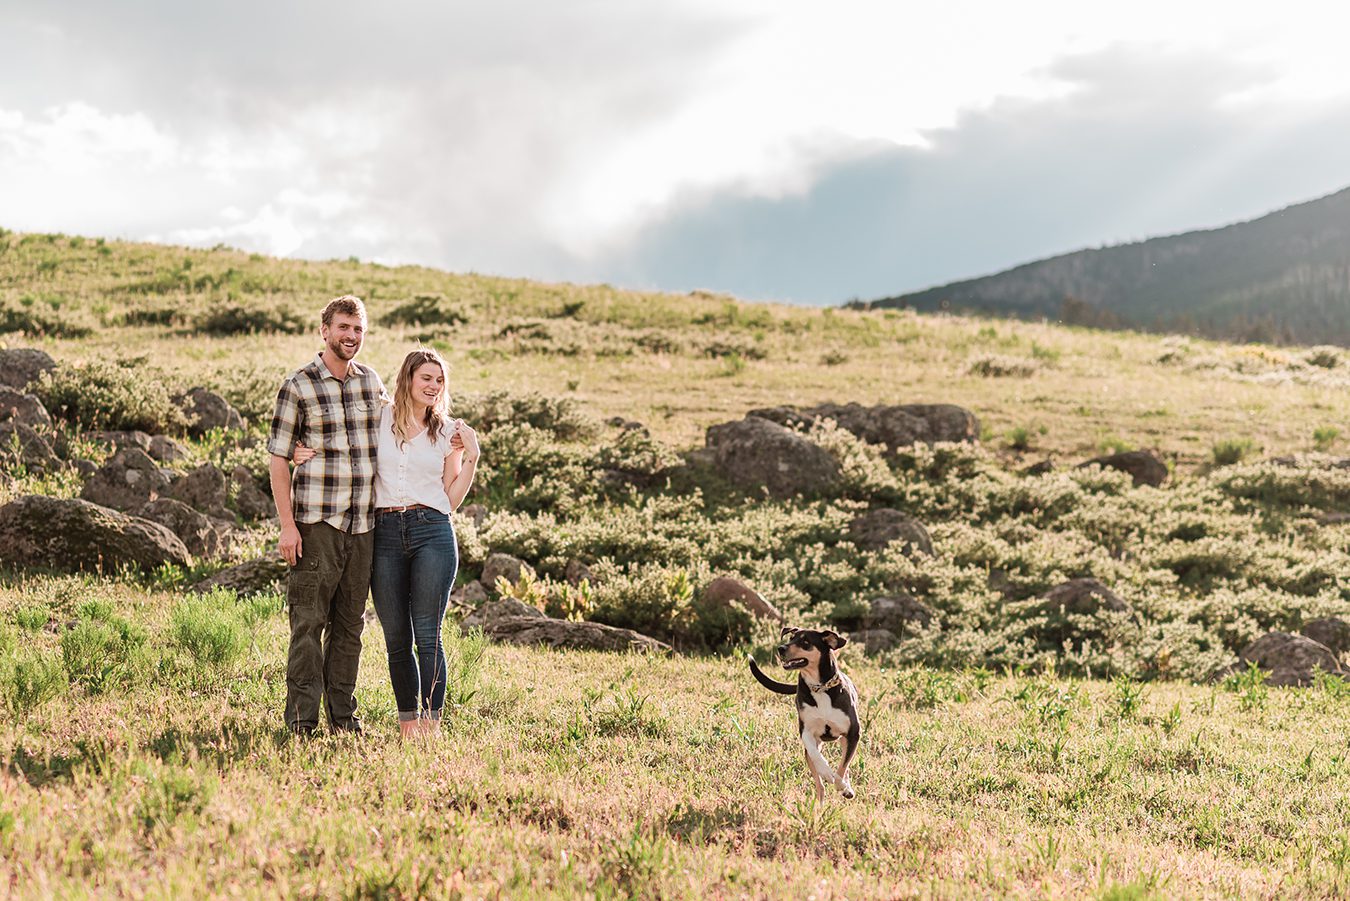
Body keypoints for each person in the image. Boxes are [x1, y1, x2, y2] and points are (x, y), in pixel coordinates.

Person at [295, 348, 480, 739]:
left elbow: (450, 497)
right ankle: (407, 723)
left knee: (428, 634)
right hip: (385, 533)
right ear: (408, 379)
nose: (433, 386)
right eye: (426, 378)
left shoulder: (449, 432)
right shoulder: (379, 418)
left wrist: (472, 459)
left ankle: (431, 726)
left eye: (439, 380)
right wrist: (301, 447)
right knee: (396, 637)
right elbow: (342, 438)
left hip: (432, 529)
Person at [266, 295, 387, 736]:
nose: (350, 337)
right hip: (317, 524)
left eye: (357, 329)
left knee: (350, 627)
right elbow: (279, 459)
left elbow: (396, 431)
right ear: (325, 330)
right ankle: (301, 721)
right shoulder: (298, 385)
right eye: (343, 328)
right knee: (308, 624)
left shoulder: (371, 382)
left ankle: (343, 718)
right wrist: (287, 525)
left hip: (363, 527)